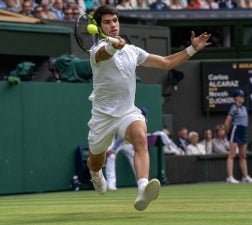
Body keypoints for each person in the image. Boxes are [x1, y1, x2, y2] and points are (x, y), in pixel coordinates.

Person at [86, 5, 211, 211]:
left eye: (115, 21)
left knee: (140, 138)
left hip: (127, 111)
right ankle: (95, 174)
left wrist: (193, 48)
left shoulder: (132, 51)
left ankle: (143, 189)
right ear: (99, 27)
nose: (113, 25)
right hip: (103, 116)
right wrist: (113, 47)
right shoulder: (95, 52)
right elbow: (103, 54)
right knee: (95, 161)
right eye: (107, 22)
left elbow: (166, 62)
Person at [224, 89, 252, 184]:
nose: (243, 98)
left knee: (243, 155)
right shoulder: (234, 108)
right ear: (236, 98)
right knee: (232, 155)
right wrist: (227, 133)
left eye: (243, 96)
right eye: (241, 96)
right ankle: (230, 177)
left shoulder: (244, 108)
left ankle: (245, 176)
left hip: (243, 131)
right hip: (235, 130)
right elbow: (227, 122)